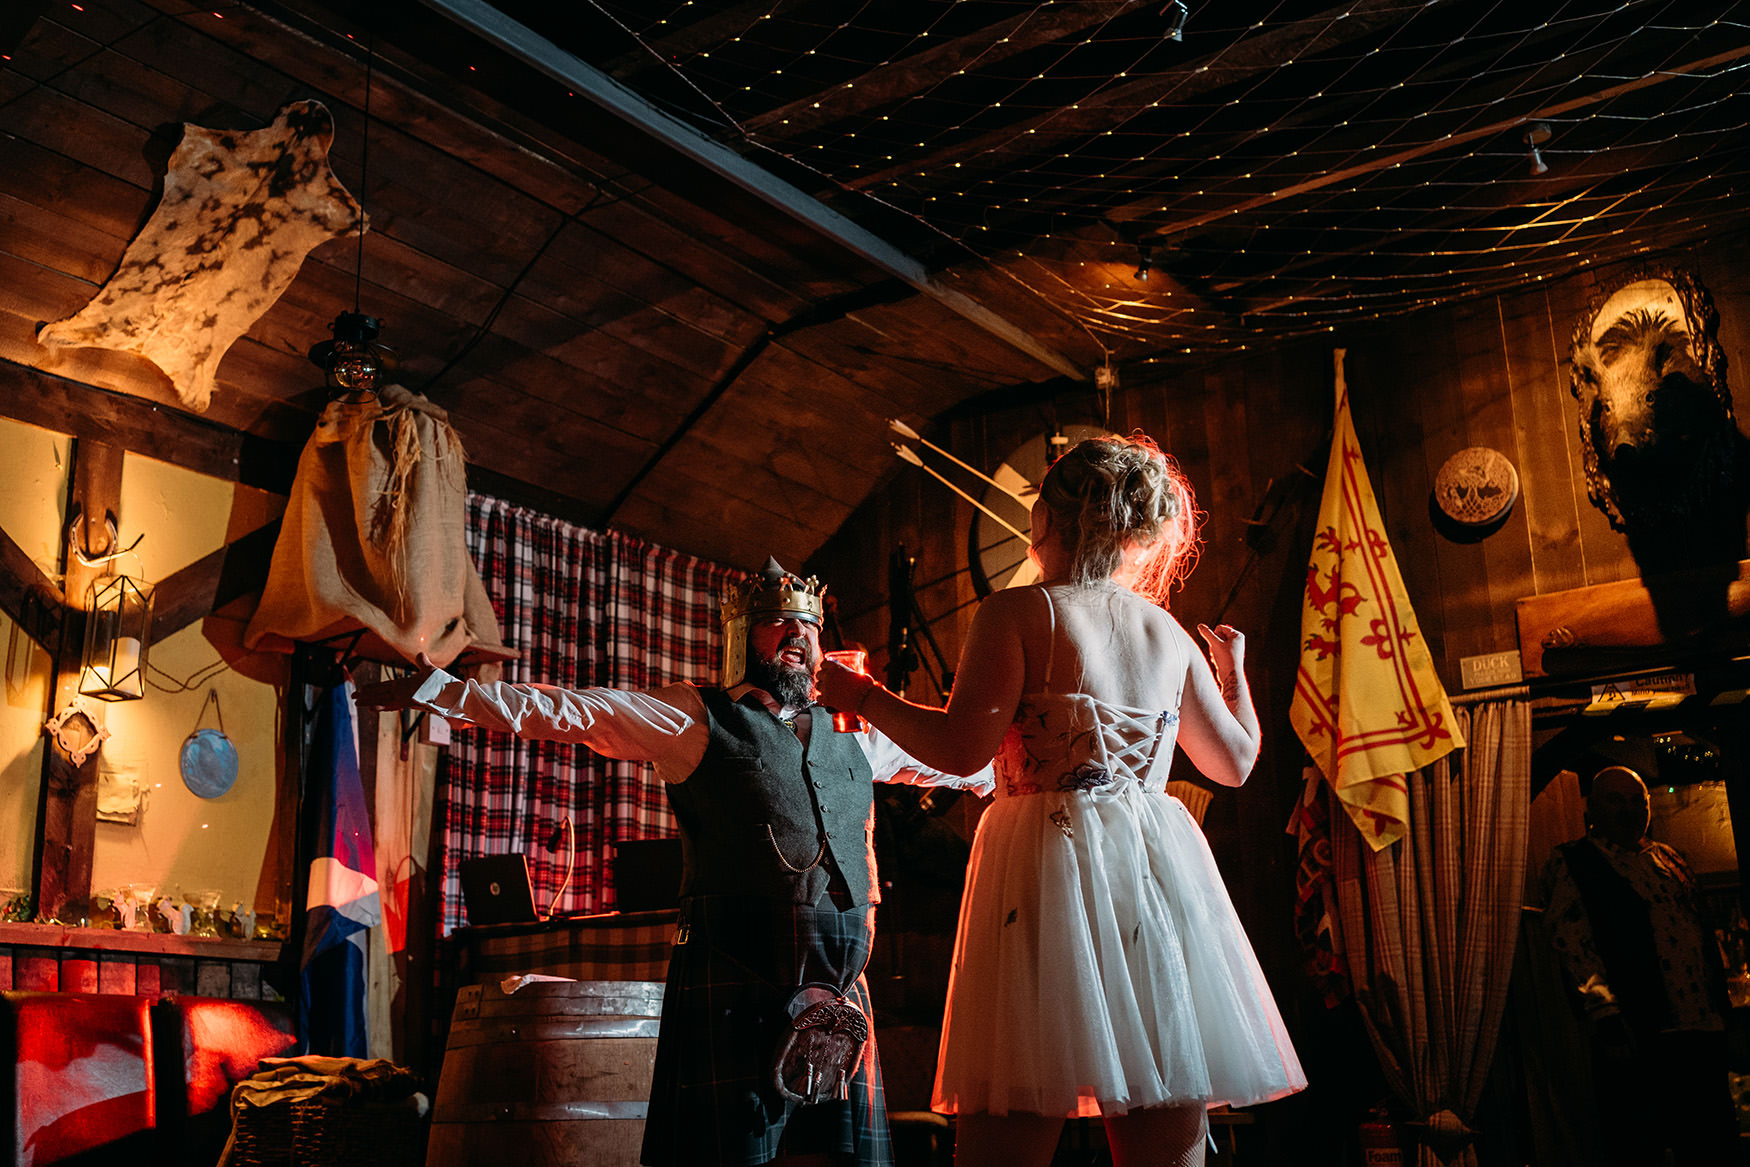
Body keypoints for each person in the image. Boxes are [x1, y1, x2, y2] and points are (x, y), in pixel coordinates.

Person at [354, 559, 991, 1167]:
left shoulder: (858, 730)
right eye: (780, 622)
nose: (798, 634)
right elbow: (577, 711)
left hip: (841, 994)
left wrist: (1020, 774)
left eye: (809, 625)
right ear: (744, 636)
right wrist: (449, 693)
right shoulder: (694, 716)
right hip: (737, 980)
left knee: (833, 1155)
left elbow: (951, 761)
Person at [816, 434, 1307, 1167]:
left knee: (1005, 1136)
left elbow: (959, 750)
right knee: (1161, 1132)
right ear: (1136, 536)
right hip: (1153, 887)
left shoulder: (1015, 614)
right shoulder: (1168, 633)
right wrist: (1233, 676)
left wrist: (864, 695)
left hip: (1046, 879)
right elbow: (1235, 763)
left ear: (1045, 518)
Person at [1542, 764, 1739, 1167]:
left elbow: (1699, 935)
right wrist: (1607, 1016)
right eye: (1615, 801)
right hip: (1644, 1036)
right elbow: (1573, 944)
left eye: (1637, 801)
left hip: (1701, 1031)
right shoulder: (1576, 862)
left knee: (1713, 1144)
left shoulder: (1670, 859)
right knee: (1646, 1145)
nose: (1628, 810)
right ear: (1593, 809)